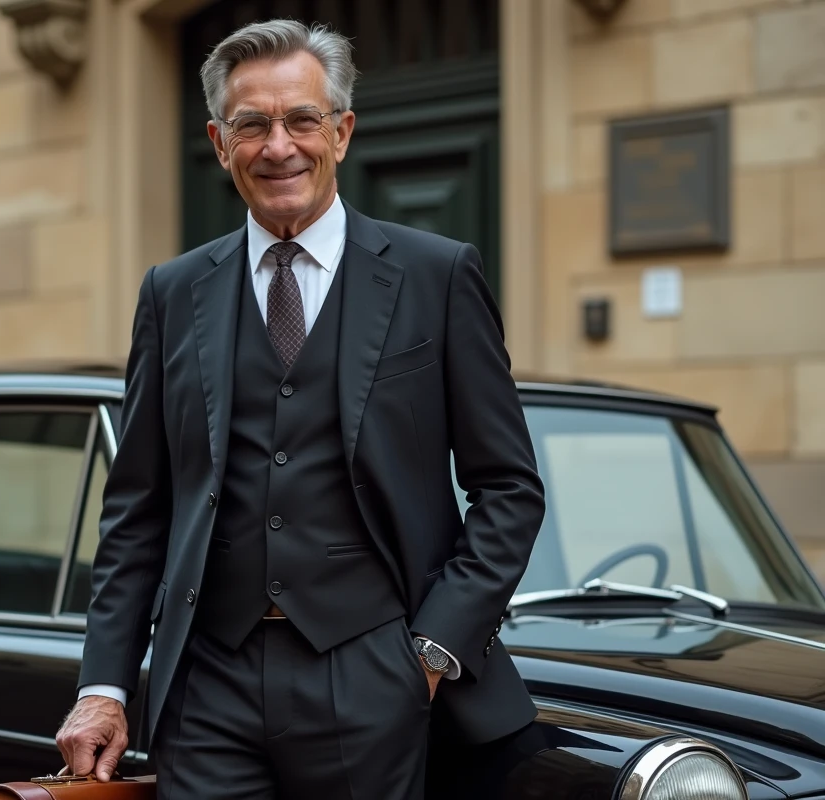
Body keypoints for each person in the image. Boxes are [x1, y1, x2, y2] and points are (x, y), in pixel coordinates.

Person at [56, 18, 545, 800]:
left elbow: (510, 489)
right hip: (207, 685)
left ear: (341, 133)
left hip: (373, 676)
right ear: (220, 144)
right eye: (251, 125)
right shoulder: (171, 293)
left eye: (302, 120)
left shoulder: (437, 275)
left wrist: (430, 652)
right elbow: (138, 509)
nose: (277, 146)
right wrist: (104, 686)